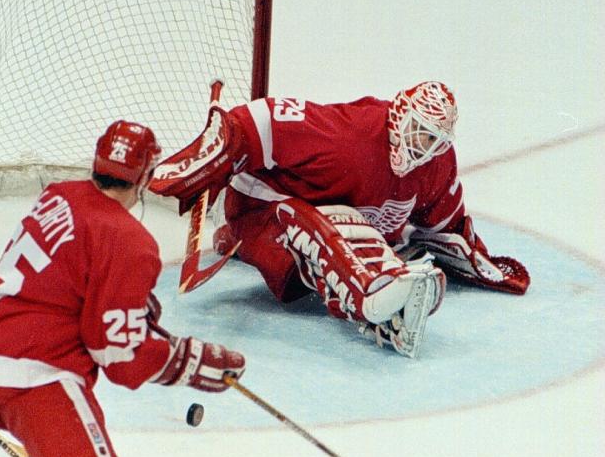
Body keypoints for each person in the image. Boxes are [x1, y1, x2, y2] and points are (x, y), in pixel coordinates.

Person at [0, 120, 246, 457]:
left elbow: (64, 277)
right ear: (147, 176)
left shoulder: (58, 195)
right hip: (30, 375)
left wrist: (124, 300)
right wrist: (189, 361)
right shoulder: (130, 242)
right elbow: (119, 356)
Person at [150, 81, 529, 358]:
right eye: (419, 132)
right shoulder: (351, 136)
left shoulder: (436, 165)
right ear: (400, 116)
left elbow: (444, 224)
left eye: (434, 140)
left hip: (322, 228)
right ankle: (371, 292)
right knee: (312, 221)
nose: (423, 147)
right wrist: (225, 145)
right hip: (257, 208)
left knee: (348, 229)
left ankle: (387, 313)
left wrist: (475, 260)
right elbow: (262, 120)